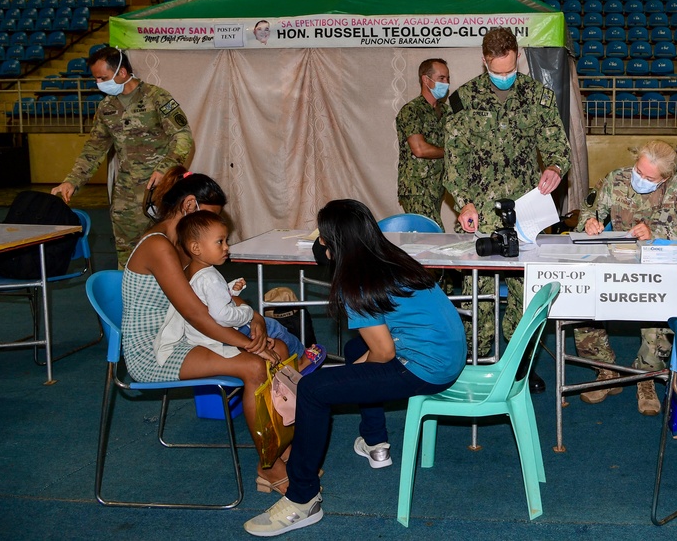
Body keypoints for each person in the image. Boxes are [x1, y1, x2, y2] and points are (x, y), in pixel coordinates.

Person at [243, 199, 466, 537]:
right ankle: (375, 441)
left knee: (313, 390)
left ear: (334, 246)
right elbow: (380, 346)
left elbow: (384, 352)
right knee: (352, 348)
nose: (320, 245)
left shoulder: (356, 282)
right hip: (448, 355)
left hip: (425, 369)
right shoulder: (391, 257)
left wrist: (332, 378)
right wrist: (355, 369)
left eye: (323, 239)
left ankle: (303, 500)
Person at [121, 166, 292, 494]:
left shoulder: (183, 248)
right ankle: (270, 466)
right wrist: (249, 344)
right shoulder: (158, 247)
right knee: (256, 365)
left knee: (280, 352)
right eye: (208, 220)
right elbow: (198, 315)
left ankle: (281, 452)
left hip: (185, 338)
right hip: (154, 352)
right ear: (188, 207)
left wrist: (254, 319)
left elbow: (217, 301)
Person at [443, 27, 571, 392]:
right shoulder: (463, 99)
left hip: (524, 211)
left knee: (524, 290)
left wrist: (555, 168)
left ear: (517, 56)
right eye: (497, 71)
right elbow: (455, 160)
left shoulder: (537, 96)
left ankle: (518, 366)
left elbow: (557, 146)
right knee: (476, 289)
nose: (504, 77)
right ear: (485, 61)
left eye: (510, 69)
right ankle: (473, 363)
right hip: (479, 209)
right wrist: (463, 199)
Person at [576, 140, 677, 415]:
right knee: (581, 305)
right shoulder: (616, 179)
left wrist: (659, 233)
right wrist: (589, 222)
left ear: (665, 177)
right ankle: (606, 372)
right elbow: (588, 209)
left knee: (662, 316)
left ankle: (646, 379)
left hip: (660, 270)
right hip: (616, 267)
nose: (639, 179)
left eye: (649, 178)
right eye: (638, 171)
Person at [51, 47, 194, 268]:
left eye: (103, 78)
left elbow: (183, 136)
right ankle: (130, 297)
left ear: (122, 72)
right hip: (126, 195)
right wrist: (72, 181)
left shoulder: (157, 97)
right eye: (96, 78)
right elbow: (94, 149)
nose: (99, 83)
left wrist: (165, 168)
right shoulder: (107, 107)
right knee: (128, 255)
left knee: (171, 250)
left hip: (164, 190)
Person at [154, 210, 326, 374]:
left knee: (275, 342)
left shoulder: (193, 271)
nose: (226, 247)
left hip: (200, 335)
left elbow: (206, 298)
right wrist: (248, 313)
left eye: (226, 241)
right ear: (196, 248)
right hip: (219, 334)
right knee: (271, 325)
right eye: (220, 242)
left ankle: (284, 372)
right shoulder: (210, 277)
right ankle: (302, 357)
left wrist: (228, 289)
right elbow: (222, 315)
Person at [395, 58, 450, 227]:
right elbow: (419, 149)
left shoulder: (446, 111)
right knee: (432, 235)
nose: (446, 83)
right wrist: (451, 152)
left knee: (420, 239)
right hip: (417, 189)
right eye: (441, 78)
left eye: (448, 78)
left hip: (436, 187)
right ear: (426, 80)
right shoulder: (412, 110)